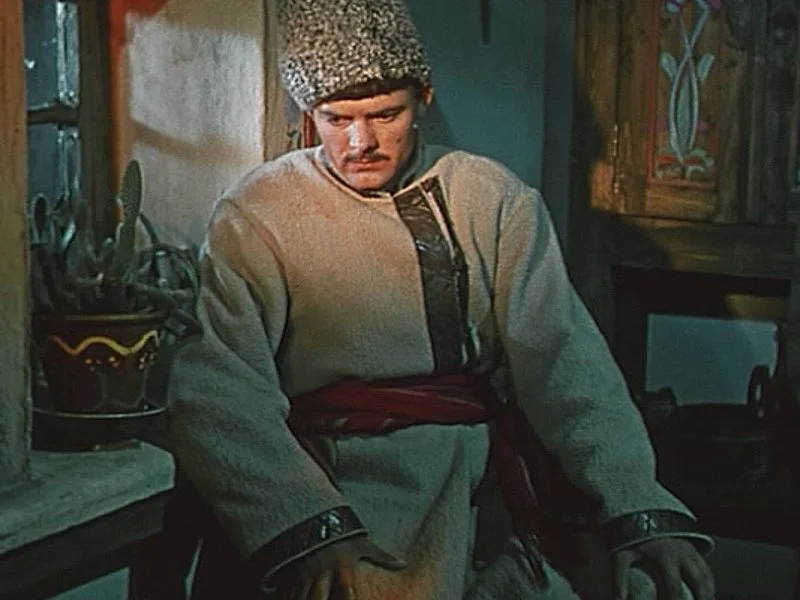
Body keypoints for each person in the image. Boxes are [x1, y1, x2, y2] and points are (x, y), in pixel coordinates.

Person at [167, 0, 716, 598]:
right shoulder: (259, 212)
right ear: (309, 114)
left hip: (471, 494)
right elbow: (220, 389)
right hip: (330, 486)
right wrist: (306, 523)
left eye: (385, 114)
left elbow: (563, 361)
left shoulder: (491, 198)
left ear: (423, 99)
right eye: (336, 118)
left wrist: (634, 501)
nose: (360, 141)